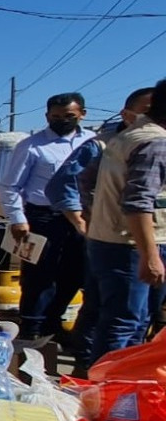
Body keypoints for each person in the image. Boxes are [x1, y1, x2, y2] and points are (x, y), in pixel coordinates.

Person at [44, 86, 154, 367]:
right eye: (148, 111)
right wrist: (81, 220)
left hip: (133, 238)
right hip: (121, 240)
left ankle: (95, 370)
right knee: (122, 317)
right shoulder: (104, 144)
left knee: (118, 312)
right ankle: (105, 379)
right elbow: (63, 185)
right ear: (127, 114)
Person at [79, 78, 166, 364]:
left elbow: (87, 182)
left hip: (116, 241)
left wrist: (98, 217)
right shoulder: (154, 143)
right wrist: (149, 256)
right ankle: (106, 392)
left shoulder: (128, 136)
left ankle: (117, 387)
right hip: (131, 245)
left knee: (132, 320)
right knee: (124, 322)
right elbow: (138, 203)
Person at [0, 92, 96, 343]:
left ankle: (54, 323)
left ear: (82, 114)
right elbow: (11, 186)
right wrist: (18, 218)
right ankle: (32, 326)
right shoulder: (32, 146)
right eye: (56, 116)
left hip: (82, 216)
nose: (62, 120)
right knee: (39, 275)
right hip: (43, 216)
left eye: (69, 116)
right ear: (47, 116)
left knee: (75, 273)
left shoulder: (92, 143)